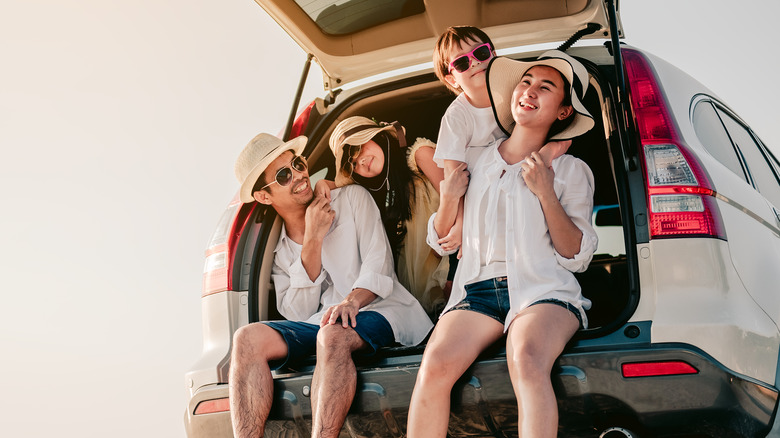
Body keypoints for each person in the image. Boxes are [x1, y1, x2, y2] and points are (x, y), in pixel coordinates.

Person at [406, 50, 598, 437]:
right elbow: (441, 241)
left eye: (545, 87)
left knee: (526, 359)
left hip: (543, 291)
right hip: (477, 293)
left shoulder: (570, 170)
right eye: (525, 82)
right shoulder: (475, 161)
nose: (530, 90)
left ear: (563, 111)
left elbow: (576, 256)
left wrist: (545, 192)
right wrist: (447, 198)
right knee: (434, 366)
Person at [228, 133, 433, 438]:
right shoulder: (278, 247)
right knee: (246, 338)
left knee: (332, 333)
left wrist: (351, 301)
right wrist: (313, 239)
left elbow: (380, 266)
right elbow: (296, 311)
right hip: (322, 322)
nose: (299, 175)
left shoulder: (351, 199)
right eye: (284, 175)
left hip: (382, 310)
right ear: (264, 197)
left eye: (297, 164)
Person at [431, 26, 571, 287]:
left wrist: (546, 154)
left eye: (480, 52)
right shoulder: (457, 115)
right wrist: (462, 223)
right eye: (462, 62)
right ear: (452, 79)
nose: (474, 63)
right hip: (475, 195)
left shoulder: (517, 93)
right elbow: (454, 179)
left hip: (515, 183)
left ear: (493, 54)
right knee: (460, 272)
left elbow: (566, 134)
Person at [316, 116, 449, 317]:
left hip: (452, 271)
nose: (359, 160)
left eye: (358, 147)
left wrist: (455, 272)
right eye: (352, 163)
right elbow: (343, 186)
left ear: (377, 136)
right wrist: (322, 184)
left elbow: (462, 206)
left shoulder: (419, 156)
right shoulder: (373, 193)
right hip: (417, 299)